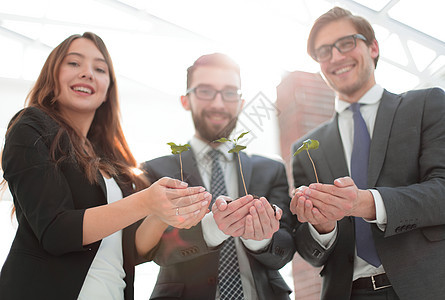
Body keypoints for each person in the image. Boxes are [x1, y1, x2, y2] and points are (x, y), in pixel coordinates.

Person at [0, 32, 211, 300]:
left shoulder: (112, 159)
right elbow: (56, 231)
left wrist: (162, 213)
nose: (87, 73)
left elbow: (132, 250)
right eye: (74, 63)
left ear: (107, 90)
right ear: (51, 76)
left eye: (99, 69)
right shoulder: (30, 127)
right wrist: (146, 202)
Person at [290, 6, 445, 300]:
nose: (335, 57)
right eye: (323, 52)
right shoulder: (305, 148)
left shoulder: (426, 105)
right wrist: (322, 225)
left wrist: (365, 203)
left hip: (428, 287)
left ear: (373, 47)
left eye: (346, 43)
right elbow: (310, 252)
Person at [141, 53, 296, 300]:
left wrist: (260, 239)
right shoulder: (157, 172)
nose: (218, 104)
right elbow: (152, 249)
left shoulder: (271, 170)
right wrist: (210, 230)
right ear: (185, 100)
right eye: (205, 91)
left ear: (242, 102)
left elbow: (286, 247)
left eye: (229, 93)